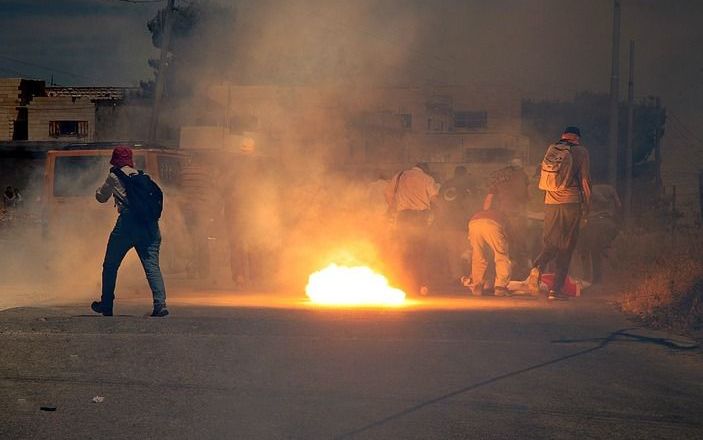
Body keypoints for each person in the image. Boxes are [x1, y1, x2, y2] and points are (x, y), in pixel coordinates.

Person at [91, 146, 169, 317]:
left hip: (127, 224)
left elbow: (101, 197)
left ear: (115, 159)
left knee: (110, 265)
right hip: (150, 225)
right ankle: (160, 304)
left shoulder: (114, 176)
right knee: (152, 266)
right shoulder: (140, 175)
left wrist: (99, 192)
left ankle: (107, 304)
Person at [527, 126, 591, 301]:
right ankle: (555, 290)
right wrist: (587, 205)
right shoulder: (580, 151)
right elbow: (585, 180)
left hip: (550, 203)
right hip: (571, 203)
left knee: (550, 242)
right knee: (566, 246)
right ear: (577, 138)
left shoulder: (552, 149)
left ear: (563, 136)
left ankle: (538, 267)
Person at [385, 162, 439, 295]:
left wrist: (394, 206)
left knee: (403, 250)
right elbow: (435, 199)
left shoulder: (400, 176)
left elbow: (388, 194)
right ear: (425, 169)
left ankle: (402, 282)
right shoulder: (427, 179)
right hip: (420, 218)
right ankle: (418, 284)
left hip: (403, 216)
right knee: (419, 251)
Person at [484, 159, 530, 278]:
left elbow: (489, 197)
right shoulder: (521, 176)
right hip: (516, 215)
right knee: (519, 245)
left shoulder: (501, 178)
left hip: (501, 215)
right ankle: (521, 274)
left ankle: (494, 276)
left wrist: (485, 213)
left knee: (502, 245)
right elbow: (525, 196)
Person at [436, 165, 478, 285]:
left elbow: (439, 204)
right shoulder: (468, 186)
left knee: (452, 252)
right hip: (465, 224)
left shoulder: (446, 185)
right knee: (468, 251)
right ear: (464, 174)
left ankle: (457, 276)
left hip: (448, 224)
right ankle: (470, 275)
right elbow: (474, 203)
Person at [578, 183, 621, 283]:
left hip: (594, 224)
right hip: (609, 223)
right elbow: (619, 205)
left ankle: (588, 277)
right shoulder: (611, 188)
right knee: (599, 248)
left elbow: (585, 208)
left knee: (587, 249)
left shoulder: (589, 190)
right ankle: (609, 253)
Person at [467, 207, 512, 297]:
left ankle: (477, 286)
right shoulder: (504, 217)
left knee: (478, 255)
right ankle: (500, 288)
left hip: (473, 223)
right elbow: (507, 238)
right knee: (501, 255)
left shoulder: (483, 212)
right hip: (493, 224)